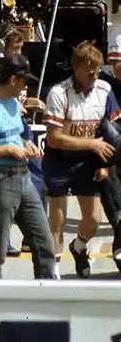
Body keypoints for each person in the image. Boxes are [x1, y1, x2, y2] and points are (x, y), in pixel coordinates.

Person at [0, 53, 57, 279]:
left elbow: (14, 134)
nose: (26, 87)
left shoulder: (13, 104)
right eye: (24, 81)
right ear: (13, 80)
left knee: (45, 245)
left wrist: (24, 143)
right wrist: (8, 149)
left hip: (24, 178)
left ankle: (46, 298)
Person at [43, 41, 119, 278]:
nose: (94, 75)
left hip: (88, 160)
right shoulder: (58, 93)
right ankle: (53, 270)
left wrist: (105, 164)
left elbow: (113, 131)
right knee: (58, 218)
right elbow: (54, 139)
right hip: (60, 160)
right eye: (89, 70)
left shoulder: (105, 90)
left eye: (97, 69)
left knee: (93, 219)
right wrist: (92, 144)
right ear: (75, 67)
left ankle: (79, 247)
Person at [0, 21, 47, 255]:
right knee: (4, 192)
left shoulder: (18, 68)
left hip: (20, 128)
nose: (19, 53)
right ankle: (4, 240)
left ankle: (31, 235)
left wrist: (26, 103)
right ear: (1, 46)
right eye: (15, 48)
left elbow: (12, 99)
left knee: (37, 178)